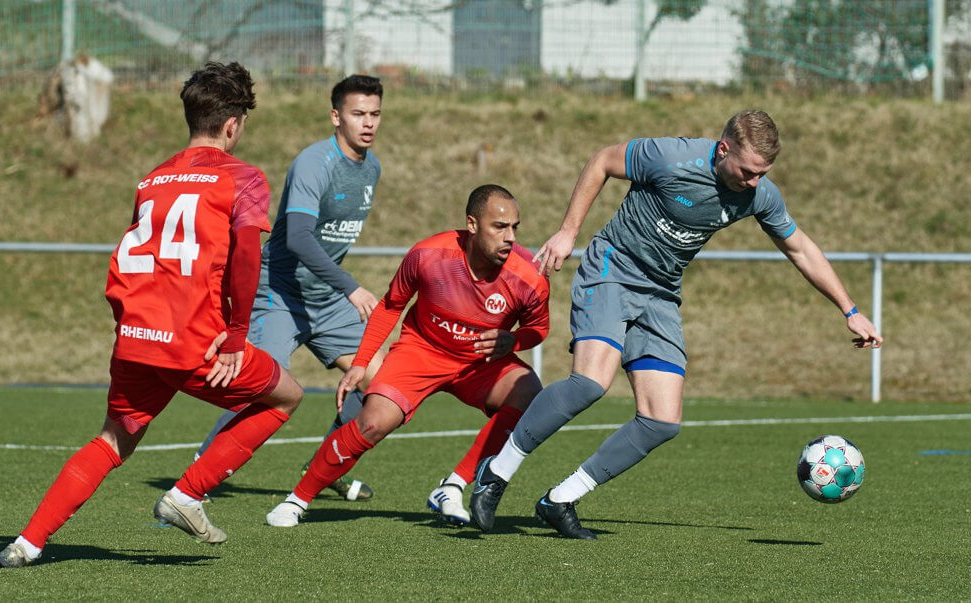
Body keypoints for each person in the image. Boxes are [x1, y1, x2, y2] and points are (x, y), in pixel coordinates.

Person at [469, 109, 884, 539]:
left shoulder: (759, 194)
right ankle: (496, 471)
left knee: (661, 420)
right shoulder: (670, 157)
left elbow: (800, 249)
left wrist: (850, 310)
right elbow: (602, 162)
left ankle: (562, 499)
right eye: (748, 171)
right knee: (590, 383)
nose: (755, 182)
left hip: (661, 292)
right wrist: (568, 232)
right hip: (614, 267)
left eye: (764, 173)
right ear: (723, 149)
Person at [0, 62, 304, 568]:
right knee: (285, 398)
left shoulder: (153, 178)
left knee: (113, 440)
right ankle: (187, 494)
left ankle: (26, 543)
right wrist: (235, 334)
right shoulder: (241, 177)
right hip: (196, 340)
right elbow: (249, 256)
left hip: (138, 337)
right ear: (233, 124)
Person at [264, 184, 550, 527]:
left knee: (529, 394)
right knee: (372, 422)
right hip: (421, 351)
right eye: (499, 227)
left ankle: (453, 486)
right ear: (472, 224)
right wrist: (360, 363)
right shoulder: (429, 255)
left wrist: (514, 340)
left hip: (479, 363)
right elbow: (390, 306)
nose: (509, 237)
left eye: (515, 227)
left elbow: (539, 329)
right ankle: (297, 500)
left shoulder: (529, 277)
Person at [195, 74, 386, 502]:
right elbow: (299, 238)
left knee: (384, 387)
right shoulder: (314, 163)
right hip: (279, 292)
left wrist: (338, 290)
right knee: (257, 385)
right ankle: (198, 475)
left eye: (374, 114)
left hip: (325, 299)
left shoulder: (372, 167)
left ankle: (327, 465)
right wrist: (351, 287)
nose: (368, 123)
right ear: (336, 116)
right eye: (358, 114)